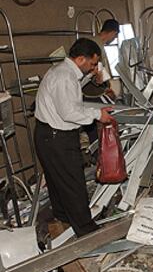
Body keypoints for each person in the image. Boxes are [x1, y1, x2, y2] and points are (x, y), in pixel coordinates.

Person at [34, 38, 113, 237]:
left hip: (47, 135)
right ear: (80, 59)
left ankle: (63, 216)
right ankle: (86, 230)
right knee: (73, 182)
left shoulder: (63, 71)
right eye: (92, 63)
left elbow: (72, 98)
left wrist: (92, 82)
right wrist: (98, 115)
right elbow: (68, 113)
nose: (94, 67)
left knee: (57, 180)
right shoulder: (65, 77)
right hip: (57, 137)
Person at [83, 19, 120, 101]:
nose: (115, 38)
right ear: (113, 33)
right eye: (115, 35)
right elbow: (90, 69)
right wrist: (104, 87)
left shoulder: (98, 43)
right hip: (88, 87)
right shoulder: (94, 44)